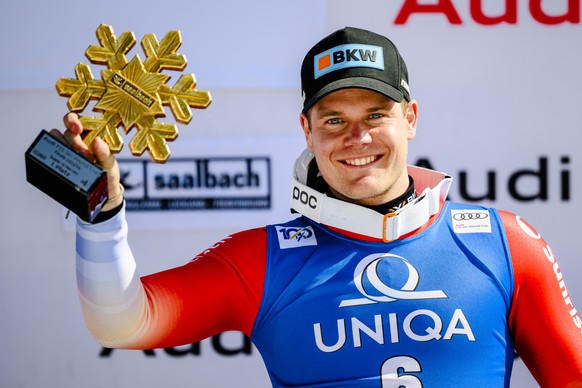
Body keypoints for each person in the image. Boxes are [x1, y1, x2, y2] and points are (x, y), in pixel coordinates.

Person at [54, 27, 582, 387]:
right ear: (306, 129)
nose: (357, 137)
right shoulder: (261, 261)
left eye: (376, 114)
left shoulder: (503, 242)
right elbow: (122, 322)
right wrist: (101, 214)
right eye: (333, 120)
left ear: (411, 118)